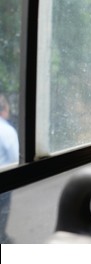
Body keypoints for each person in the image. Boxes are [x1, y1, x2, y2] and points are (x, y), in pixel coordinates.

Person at [0, 93, 19, 243]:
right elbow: (14, 159)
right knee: (3, 210)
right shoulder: (7, 131)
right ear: (4, 109)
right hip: (4, 178)